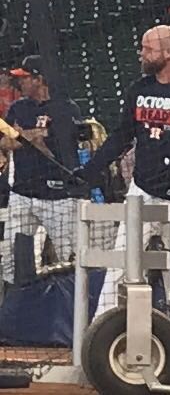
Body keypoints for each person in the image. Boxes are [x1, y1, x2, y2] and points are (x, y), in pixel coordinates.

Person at [76, 25, 170, 315]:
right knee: (120, 267)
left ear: (168, 53)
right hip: (145, 191)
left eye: (148, 49)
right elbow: (121, 135)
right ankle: (97, 339)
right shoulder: (139, 89)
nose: (141, 54)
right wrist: (92, 169)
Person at [0, 55, 82, 284]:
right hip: (23, 194)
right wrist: (35, 136)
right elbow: (6, 142)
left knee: (70, 258)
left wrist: (23, 135)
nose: (20, 83)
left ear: (39, 79)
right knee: (12, 260)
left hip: (60, 197)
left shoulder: (66, 107)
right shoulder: (19, 107)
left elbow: (58, 146)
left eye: (25, 78)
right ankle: (18, 305)